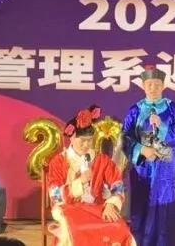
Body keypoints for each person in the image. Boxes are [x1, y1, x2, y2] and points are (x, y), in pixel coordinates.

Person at [46, 105, 135, 246]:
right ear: (72, 138)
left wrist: (111, 204)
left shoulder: (101, 160)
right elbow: (55, 195)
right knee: (77, 231)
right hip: (69, 208)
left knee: (120, 228)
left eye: (89, 140)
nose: (86, 144)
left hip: (97, 207)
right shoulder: (59, 162)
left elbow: (117, 184)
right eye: (82, 140)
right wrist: (79, 182)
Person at [121, 64, 175, 246]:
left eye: (157, 85)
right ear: (143, 86)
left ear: (163, 86)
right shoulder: (135, 110)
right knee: (141, 209)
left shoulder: (173, 108)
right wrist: (141, 150)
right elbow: (125, 138)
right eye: (149, 84)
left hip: (165, 168)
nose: (153, 88)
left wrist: (162, 126)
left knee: (164, 210)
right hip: (142, 169)